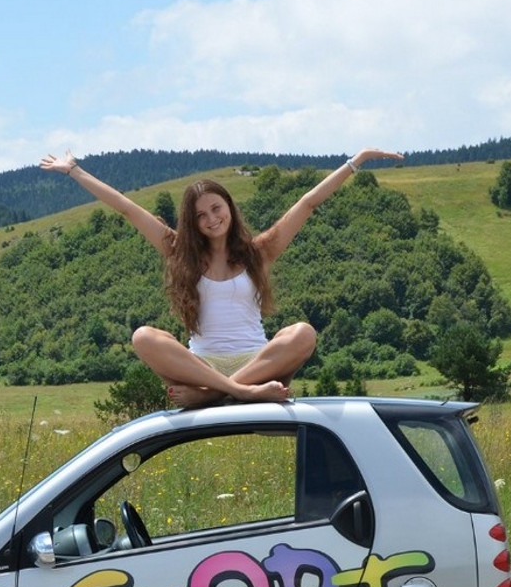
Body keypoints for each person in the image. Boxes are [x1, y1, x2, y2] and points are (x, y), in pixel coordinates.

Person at [40, 148, 404, 407]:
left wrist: (356, 161)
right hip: (202, 366)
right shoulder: (178, 251)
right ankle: (239, 392)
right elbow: (127, 208)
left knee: (304, 333)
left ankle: (216, 394)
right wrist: (74, 170)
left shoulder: (259, 252)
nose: (212, 219)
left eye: (216, 208)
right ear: (192, 222)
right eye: (201, 215)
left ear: (229, 206)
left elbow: (308, 203)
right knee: (143, 337)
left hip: (257, 362)